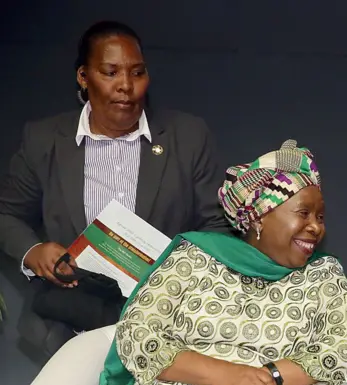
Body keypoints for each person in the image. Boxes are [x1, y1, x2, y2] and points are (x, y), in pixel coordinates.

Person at [67, 139, 347, 385]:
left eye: (320, 218)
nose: (316, 228)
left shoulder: (322, 276)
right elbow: (137, 334)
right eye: (303, 213)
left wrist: (263, 383)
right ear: (260, 217)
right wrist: (224, 376)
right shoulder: (193, 256)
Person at [0, 20, 229, 358]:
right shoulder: (44, 139)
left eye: (137, 73)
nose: (126, 85)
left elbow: (218, 225)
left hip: (166, 323)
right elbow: (7, 214)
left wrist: (180, 272)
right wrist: (34, 252)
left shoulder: (188, 136)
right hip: (69, 323)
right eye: (110, 72)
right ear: (83, 76)